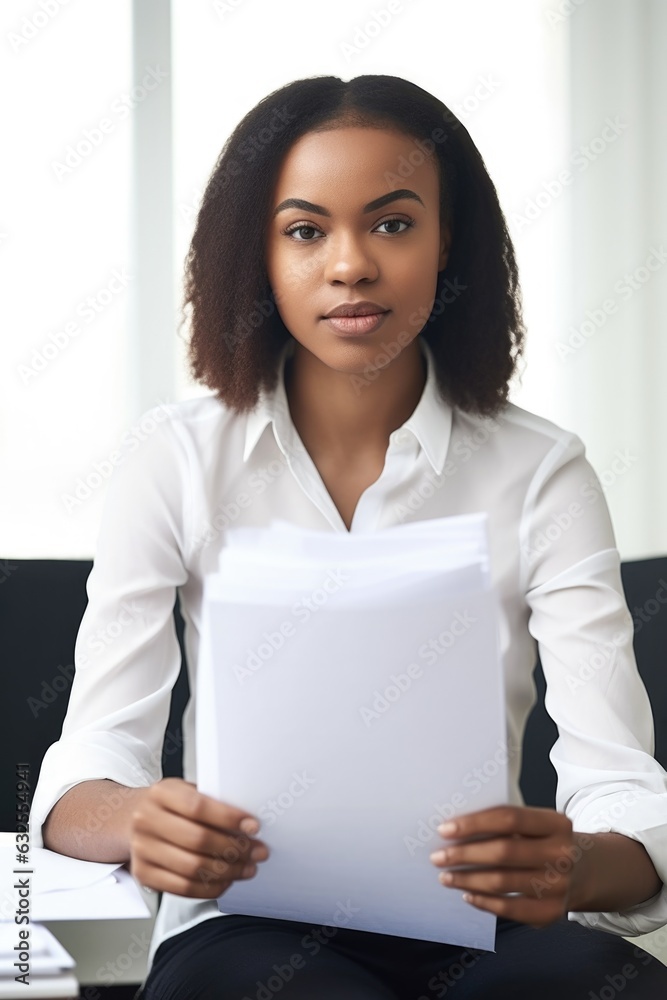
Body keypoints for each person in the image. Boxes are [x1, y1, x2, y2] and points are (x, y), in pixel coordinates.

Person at [30, 74, 667, 999]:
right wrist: (135, 819)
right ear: (259, 256)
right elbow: (90, 761)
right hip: (245, 925)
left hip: (482, 923)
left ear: (449, 243)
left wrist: (585, 862)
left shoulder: (542, 470)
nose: (349, 265)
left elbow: (618, 780)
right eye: (304, 230)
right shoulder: (174, 457)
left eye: (393, 223)